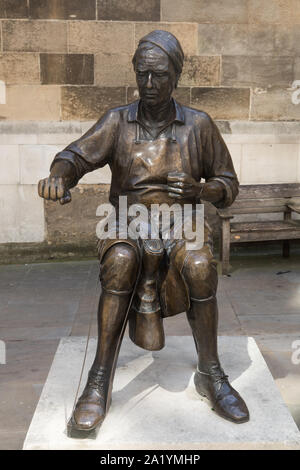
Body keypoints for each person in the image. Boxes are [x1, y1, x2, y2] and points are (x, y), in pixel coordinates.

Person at [38, 30, 249, 432]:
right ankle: (98, 381)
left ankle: (212, 372)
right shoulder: (118, 120)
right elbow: (74, 156)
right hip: (124, 222)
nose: (150, 85)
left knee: (202, 265)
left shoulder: (199, 126)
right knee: (120, 260)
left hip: (182, 224)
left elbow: (229, 185)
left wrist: (202, 189)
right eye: (142, 75)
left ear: (176, 76)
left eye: (160, 76)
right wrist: (58, 178)